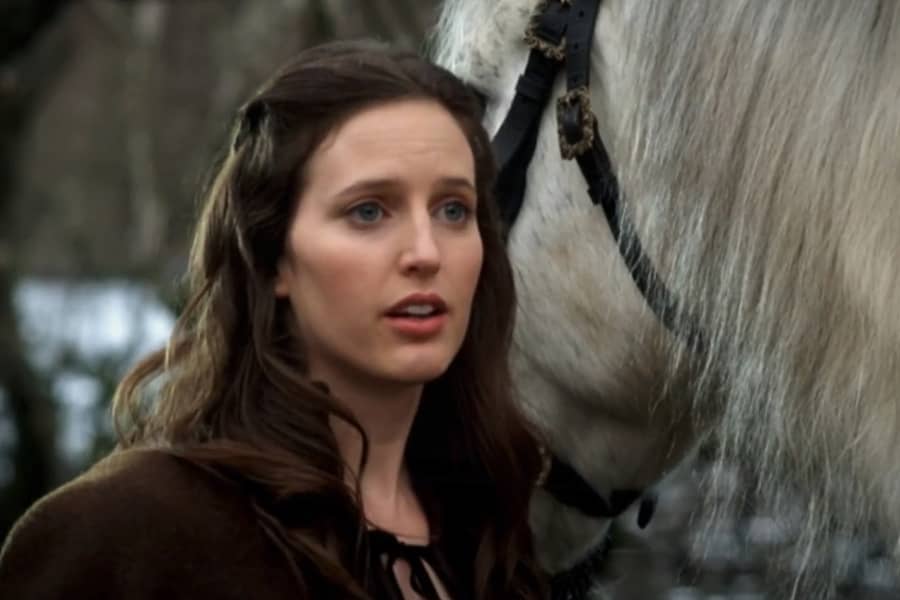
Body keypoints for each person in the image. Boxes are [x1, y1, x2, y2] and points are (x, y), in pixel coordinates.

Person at [0, 40, 548, 599]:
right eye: (368, 211)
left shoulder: (488, 533)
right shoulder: (131, 530)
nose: (426, 252)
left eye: (453, 209)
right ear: (272, 256)